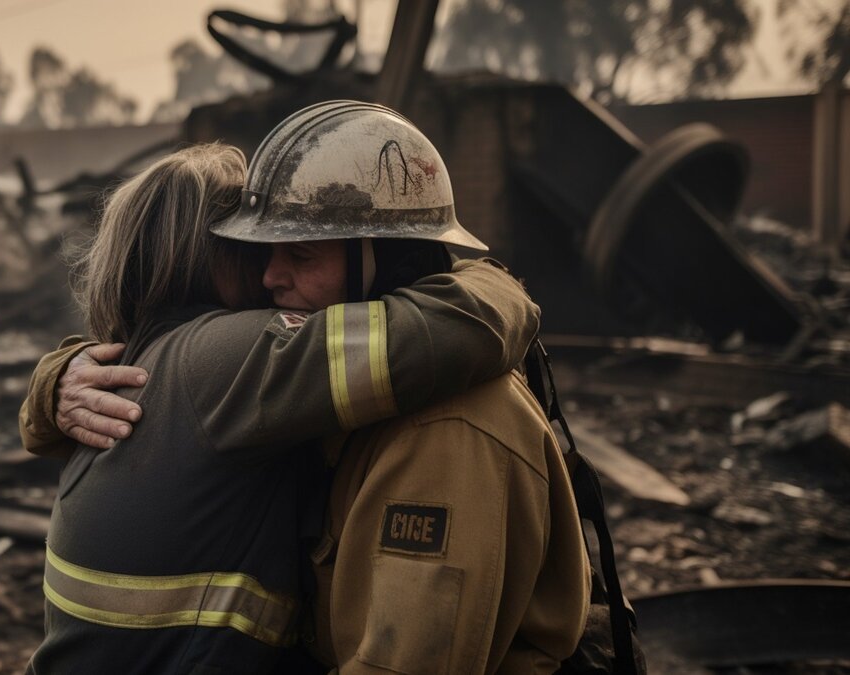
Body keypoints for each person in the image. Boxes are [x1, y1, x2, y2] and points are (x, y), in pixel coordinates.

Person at [36, 101, 591, 674]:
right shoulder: (270, 377)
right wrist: (52, 384)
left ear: (390, 255)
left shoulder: (447, 424)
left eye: (299, 254)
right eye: (257, 256)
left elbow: (403, 661)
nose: (271, 278)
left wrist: (496, 289)